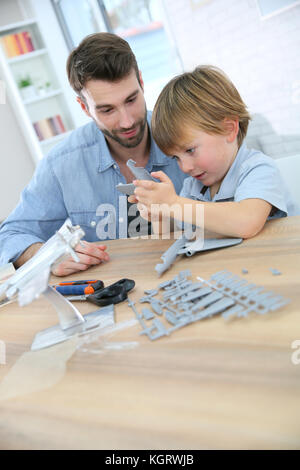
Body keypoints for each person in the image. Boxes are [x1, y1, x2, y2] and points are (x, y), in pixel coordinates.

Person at [0, 33, 186, 275]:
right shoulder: (63, 164)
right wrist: (49, 257)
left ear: (141, 82)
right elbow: (11, 234)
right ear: (84, 107)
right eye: (107, 110)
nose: (127, 121)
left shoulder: (186, 135)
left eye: (131, 100)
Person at [130, 65, 298, 238]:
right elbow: (173, 237)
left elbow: (246, 222)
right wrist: (161, 214)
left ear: (229, 129)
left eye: (190, 150)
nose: (185, 167)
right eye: (176, 158)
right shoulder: (193, 187)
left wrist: (173, 203)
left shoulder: (258, 169)